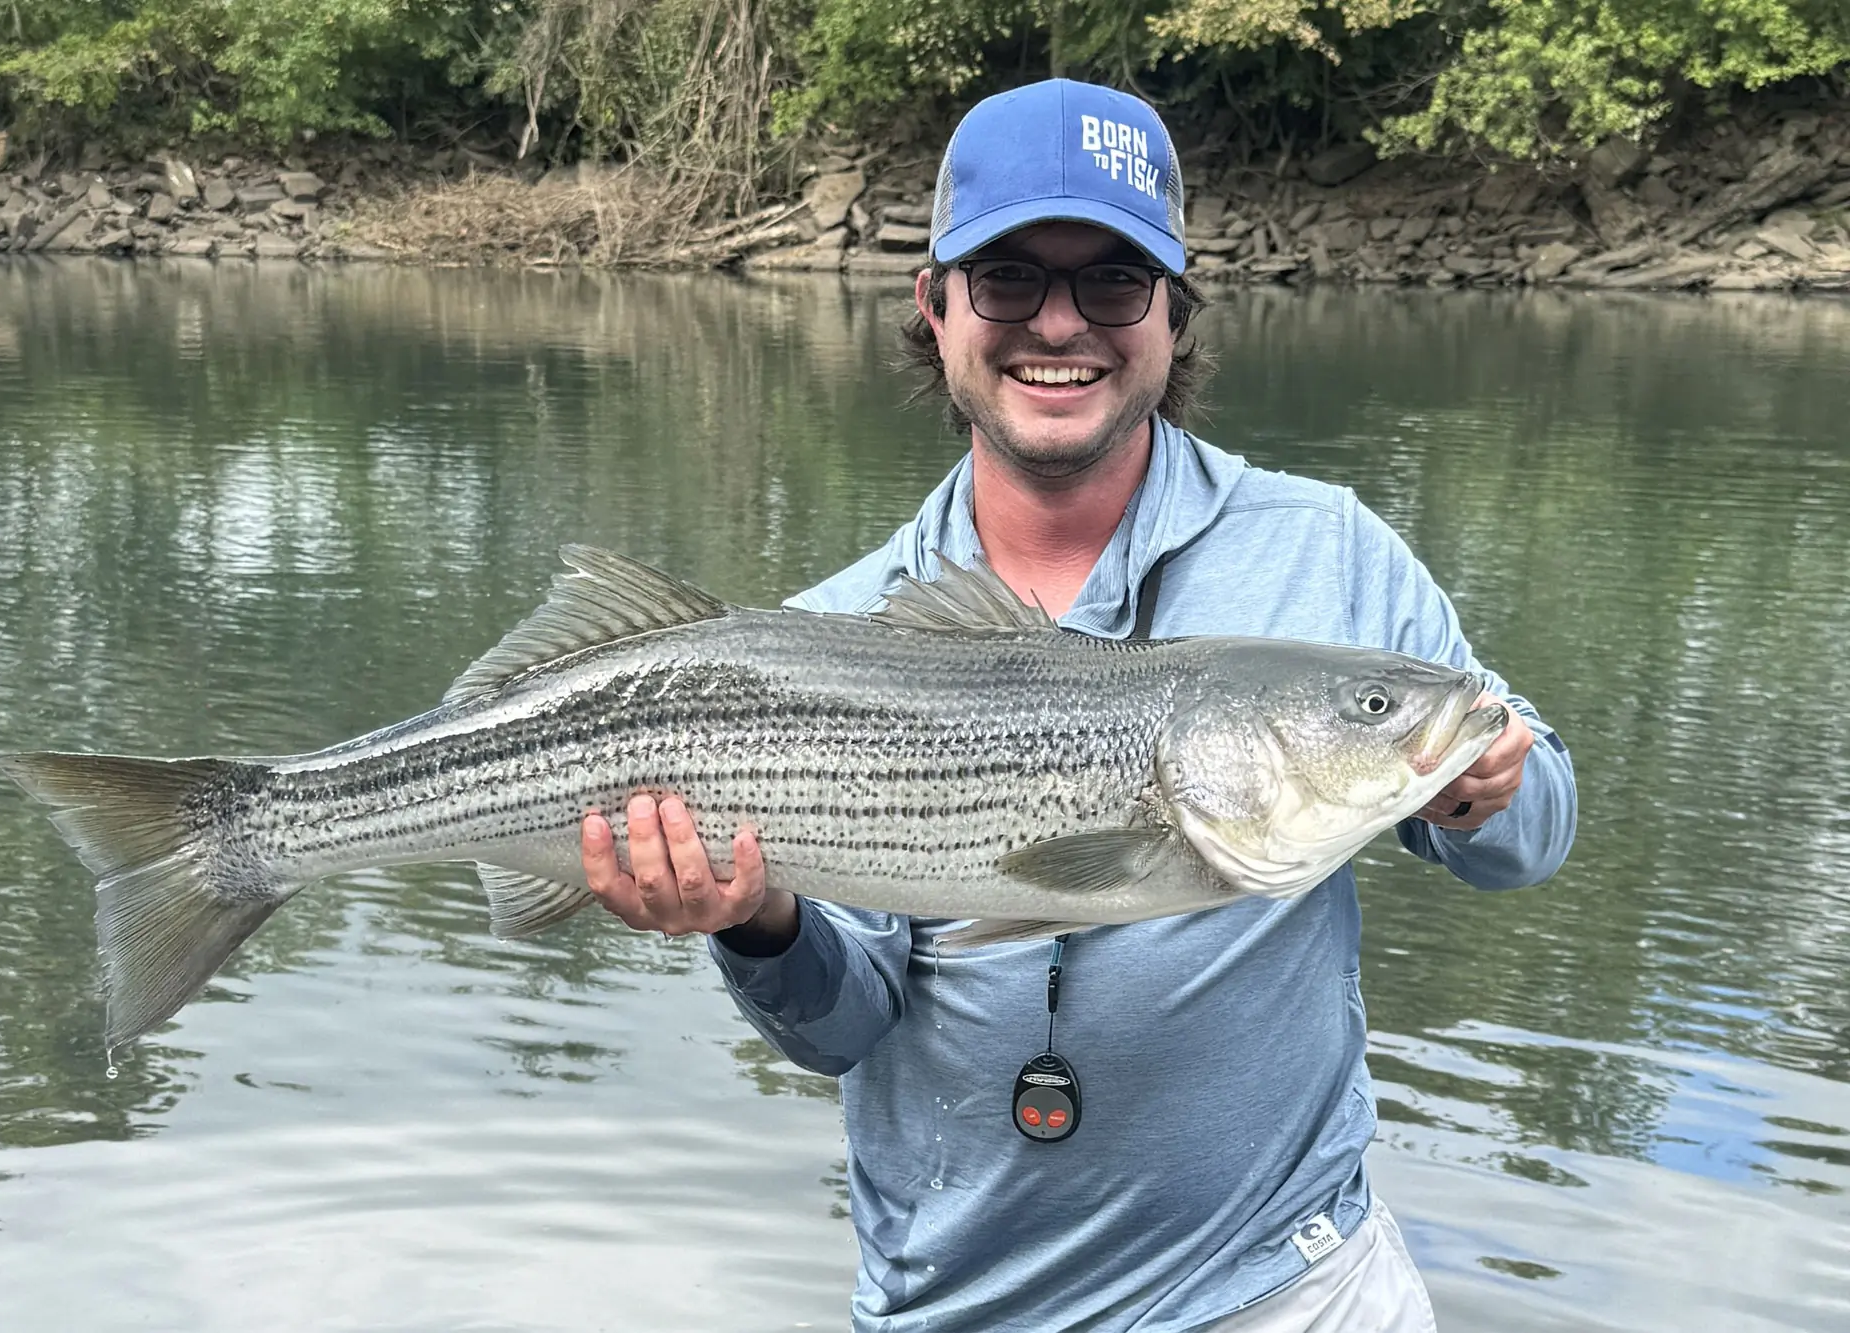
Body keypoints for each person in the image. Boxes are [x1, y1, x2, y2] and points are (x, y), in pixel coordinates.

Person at [578, 78, 1578, 1332]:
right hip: (960, 1304)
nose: (1059, 324)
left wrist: (1484, 786)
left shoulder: (1331, 553)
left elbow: (1529, 839)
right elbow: (840, 1028)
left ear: (1172, 313)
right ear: (934, 307)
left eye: (1112, 281)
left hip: (1295, 1287)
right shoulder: (833, 635)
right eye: (1006, 280)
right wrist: (756, 926)